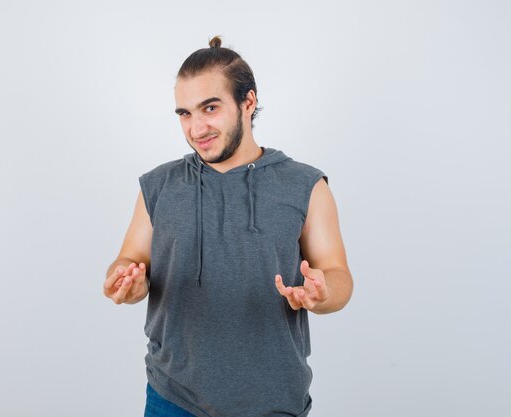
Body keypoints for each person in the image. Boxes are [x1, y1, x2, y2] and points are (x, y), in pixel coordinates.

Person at [103, 36, 354, 417]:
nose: (196, 127)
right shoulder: (158, 186)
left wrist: (321, 293)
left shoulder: (305, 185)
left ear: (248, 103)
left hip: (274, 402)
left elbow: (338, 275)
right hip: (173, 398)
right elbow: (129, 259)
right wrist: (126, 281)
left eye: (210, 108)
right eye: (185, 113)